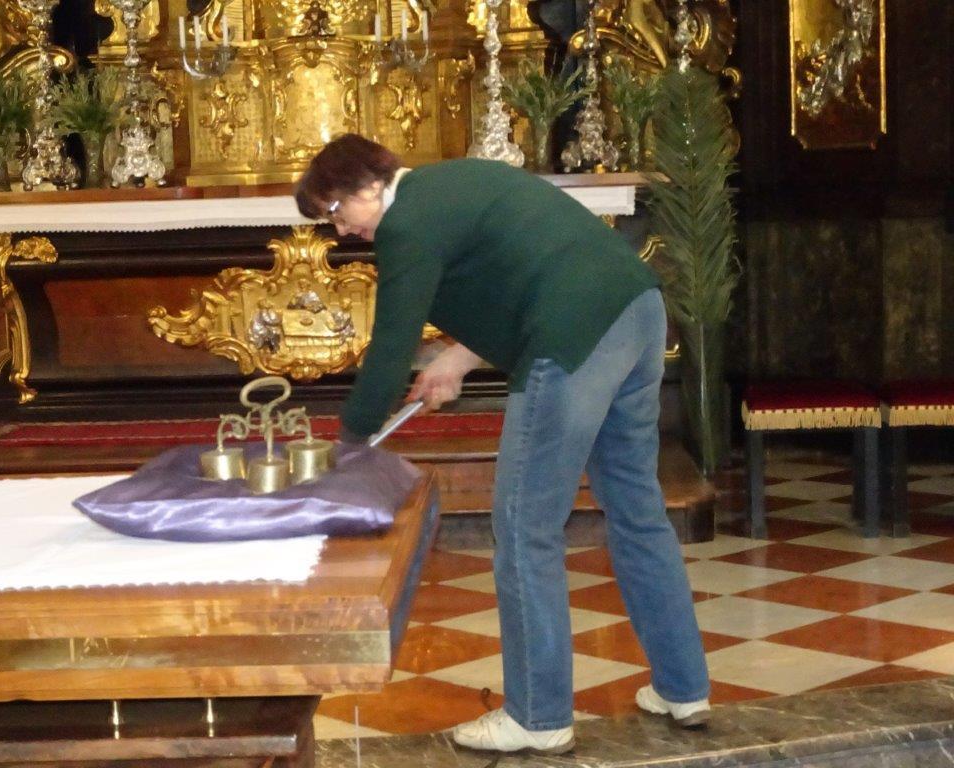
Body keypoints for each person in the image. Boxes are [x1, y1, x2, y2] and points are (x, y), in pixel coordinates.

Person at [294, 133, 711, 755]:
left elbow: (389, 349)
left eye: (335, 211)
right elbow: (525, 271)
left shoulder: (405, 225)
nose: (341, 230)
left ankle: (539, 716)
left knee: (523, 528)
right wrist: (456, 362)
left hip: (571, 336)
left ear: (369, 185)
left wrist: (351, 446)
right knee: (637, 509)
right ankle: (684, 688)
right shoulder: (451, 184)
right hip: (637, 313)